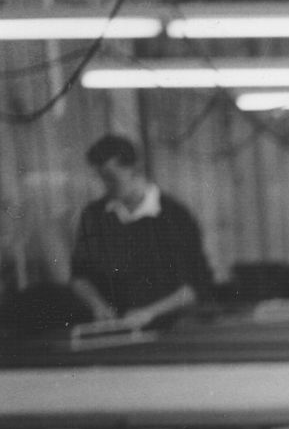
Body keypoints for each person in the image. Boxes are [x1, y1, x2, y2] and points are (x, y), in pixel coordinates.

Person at [69, 134, 214, 328]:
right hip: (115, 333)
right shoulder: (94, 215)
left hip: (171, 331)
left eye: (111, 178)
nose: (105, 186)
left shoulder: (174, 216)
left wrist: (149, 313)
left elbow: (196, 287)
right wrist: (97, 305)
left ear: (135, 169)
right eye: (101, 178)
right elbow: (79, 277)